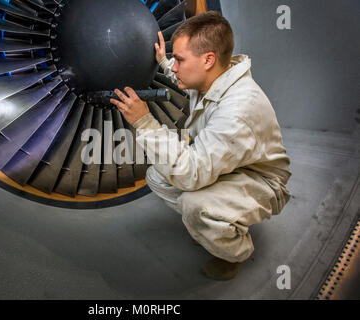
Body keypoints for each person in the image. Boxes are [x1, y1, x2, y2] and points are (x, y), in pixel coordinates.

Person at [109, 11, 292, 281]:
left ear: (208, 60)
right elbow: (183, 82)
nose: (174, 67)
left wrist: (145, 122)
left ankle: (234, 252)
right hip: (233, 164)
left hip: (261, 180)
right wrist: (163, 60)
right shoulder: (213, 77)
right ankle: (216, 224)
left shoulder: (238, 110)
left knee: (197, 205)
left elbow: (190, 174)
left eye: (179, 60)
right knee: (157, 176)